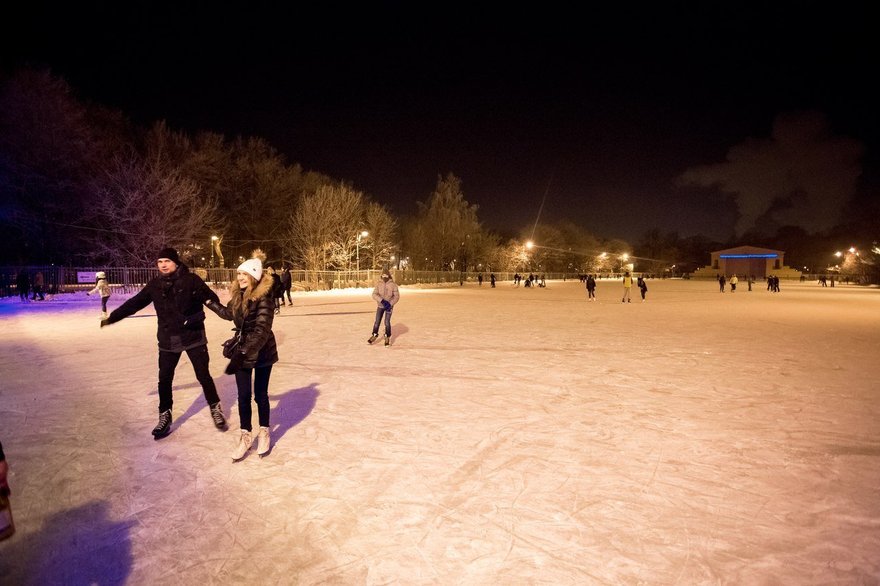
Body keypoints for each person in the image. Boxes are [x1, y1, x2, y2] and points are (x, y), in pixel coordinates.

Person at [100, 247, 227, 439]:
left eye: (167, 261)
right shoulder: (155, 285)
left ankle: (215, 407)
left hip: (193, 336)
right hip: (168, 338)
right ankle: (164, 415)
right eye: (160, 262)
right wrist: (113, 317)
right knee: (165, 379)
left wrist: (202, 315)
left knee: (203, 375)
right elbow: (135, 303)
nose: (163, 265)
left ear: (176, 262)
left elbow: (211, 299)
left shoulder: (192, 280)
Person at [211, 252, 278, 461]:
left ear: (254, 277)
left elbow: (261, 331)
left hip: (263, 351)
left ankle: (264, 432)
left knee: (260, 395)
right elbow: (228, 314)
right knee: (243, 396)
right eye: (238, 273)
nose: (239, 277)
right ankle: (246, 435)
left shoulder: (264, 298)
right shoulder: (239, 296)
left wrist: (241, 354)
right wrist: (208, 300)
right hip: (243, 350)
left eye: (244, 274)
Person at [368, 268, 400, 346]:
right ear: (381, 276)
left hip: (389, 307)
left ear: (389, 276)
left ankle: (387, 336)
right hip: (380, 306)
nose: (384, 277)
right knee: (377, 322)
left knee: (387, 322)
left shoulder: (393, 285)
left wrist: (389, 304)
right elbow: (374, 294)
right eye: (383, 275)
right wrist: (382, 301)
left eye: (386, 275)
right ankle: (374, 335)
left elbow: (396, 296)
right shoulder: (379, 284)